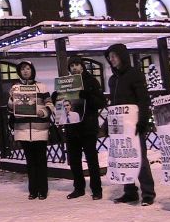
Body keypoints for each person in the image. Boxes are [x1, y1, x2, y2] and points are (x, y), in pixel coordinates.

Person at [105, 43, 156, 206]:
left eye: (114, 56)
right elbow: (113, 104)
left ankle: (148, 193)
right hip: (119, 126)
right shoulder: (113, 80)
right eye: (110, 57)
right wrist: (109, 123)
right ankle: (130, 191)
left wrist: (143, 121)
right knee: (123, 157)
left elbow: (143, 99)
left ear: (122, 56)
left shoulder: (135, 74)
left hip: (134, 124)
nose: (111, 59)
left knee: (140, 157)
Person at [61, 56, 106, 200]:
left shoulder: (91, 81)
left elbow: (100, 102)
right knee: (74, 160)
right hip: (71, 127)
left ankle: (96, 189)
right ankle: (78, 188)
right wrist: (57, 96)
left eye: (77, 65)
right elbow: (61, 103)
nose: (74, 68)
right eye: (72, 66)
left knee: (92, 160)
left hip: (87, 127)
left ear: (82, 66)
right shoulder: (65, 83)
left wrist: (87, 96)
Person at [8, 61, 54, 200]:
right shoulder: (15, 88)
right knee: (30, 162)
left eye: (28, 69)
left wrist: (43, 112)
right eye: (23, 69)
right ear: (19, 72)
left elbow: (50, 104)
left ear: (32, 70)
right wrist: (11, 98)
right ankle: (33, 190)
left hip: (39, 129)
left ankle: (43, 190)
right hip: (22, 130)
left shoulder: (41, 87)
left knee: (41, 161)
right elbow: (10, 109)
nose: (26, 71)